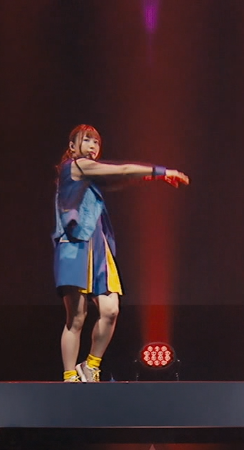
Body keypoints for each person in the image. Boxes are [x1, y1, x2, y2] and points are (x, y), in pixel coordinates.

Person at [53, 124, 189, 381]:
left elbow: (119, 178)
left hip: (98, 246)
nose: (93, 146)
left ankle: (91, 366)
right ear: (72, 147)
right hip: (76, 245)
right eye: (87, 140)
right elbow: (122, 170)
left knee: (110, 310)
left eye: (96, 142)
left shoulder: (90, 176)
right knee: (77, 317)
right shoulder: (75, 167)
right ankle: (70, 376)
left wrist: (148, 178)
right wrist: (161, 172)